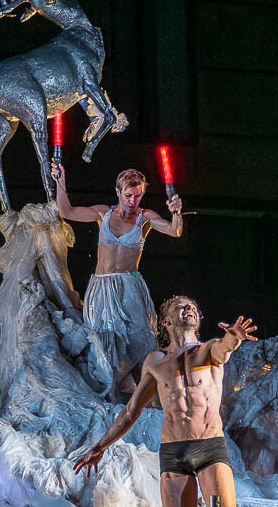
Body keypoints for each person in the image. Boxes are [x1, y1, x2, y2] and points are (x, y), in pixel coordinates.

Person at [73, 297, 257, 507]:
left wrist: (234, 338)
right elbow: (130, 411)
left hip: (209, 448)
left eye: (193, 306)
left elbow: (224, 349)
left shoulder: (207, 351)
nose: (189, 308)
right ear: (167, 321)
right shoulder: (156, 362)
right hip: (173, 454)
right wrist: (99, 447)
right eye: (180, 305)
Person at [53, 161, 184, 397]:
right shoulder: (103, 213)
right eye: (128, 195)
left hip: (129, 286)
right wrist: (60, 179)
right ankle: (110, 397)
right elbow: (67, 212)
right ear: (118, 192)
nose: (133, 201)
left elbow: (174, 230)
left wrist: (176, 212)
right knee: (102, 343)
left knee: (139, 341)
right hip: (102, 287)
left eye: (138, 195)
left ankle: (149, 399)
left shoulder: (144, 217)